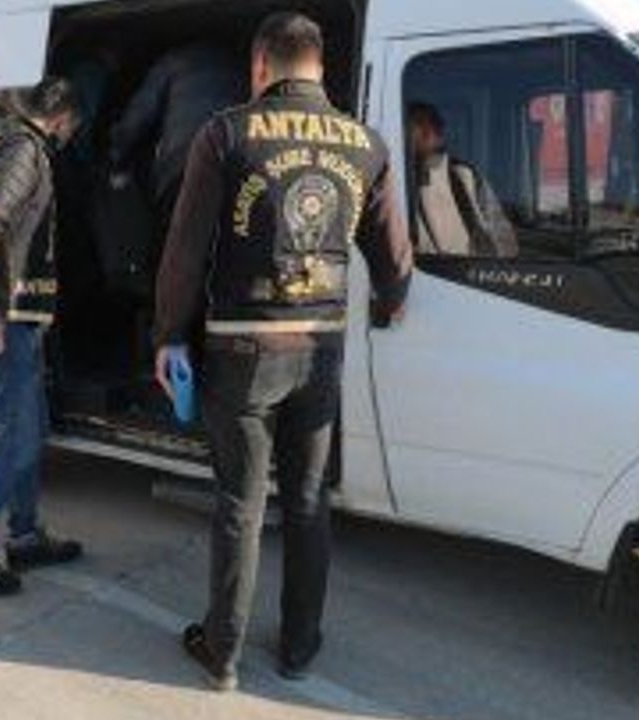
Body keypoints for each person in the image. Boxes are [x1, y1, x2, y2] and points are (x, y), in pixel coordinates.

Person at [153, 13, 413, 690]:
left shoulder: (227, 132)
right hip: (319, 349)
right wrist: (390, 302)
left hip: (242, 348)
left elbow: (185, 251)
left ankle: (223, 653)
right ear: (319, 67)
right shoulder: (367, 143)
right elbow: (393, 258)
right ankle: (300, 645)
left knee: (240, 506)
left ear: (260, 66)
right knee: (307, 501)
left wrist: (169, 335)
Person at [0, 77, 85, 597]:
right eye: (74, 126)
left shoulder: (16, 146)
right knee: (19, 439)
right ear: (63, 117)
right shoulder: (21, 150)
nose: (71, 135)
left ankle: (24, 536)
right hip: (0, 320)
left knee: (32, 429)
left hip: (15, 319)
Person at [109, 41, 248, 226]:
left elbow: (138, 116)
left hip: (183, 168)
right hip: (236, 171)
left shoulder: (173, 62)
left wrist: (116, 158)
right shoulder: (239, 65)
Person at [409, 102, 518, 257]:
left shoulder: (466, 176)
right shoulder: (398, 178)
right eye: (417, 124)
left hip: (472, 267)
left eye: (427, 125)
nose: (425, 132)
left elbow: (504, 241)